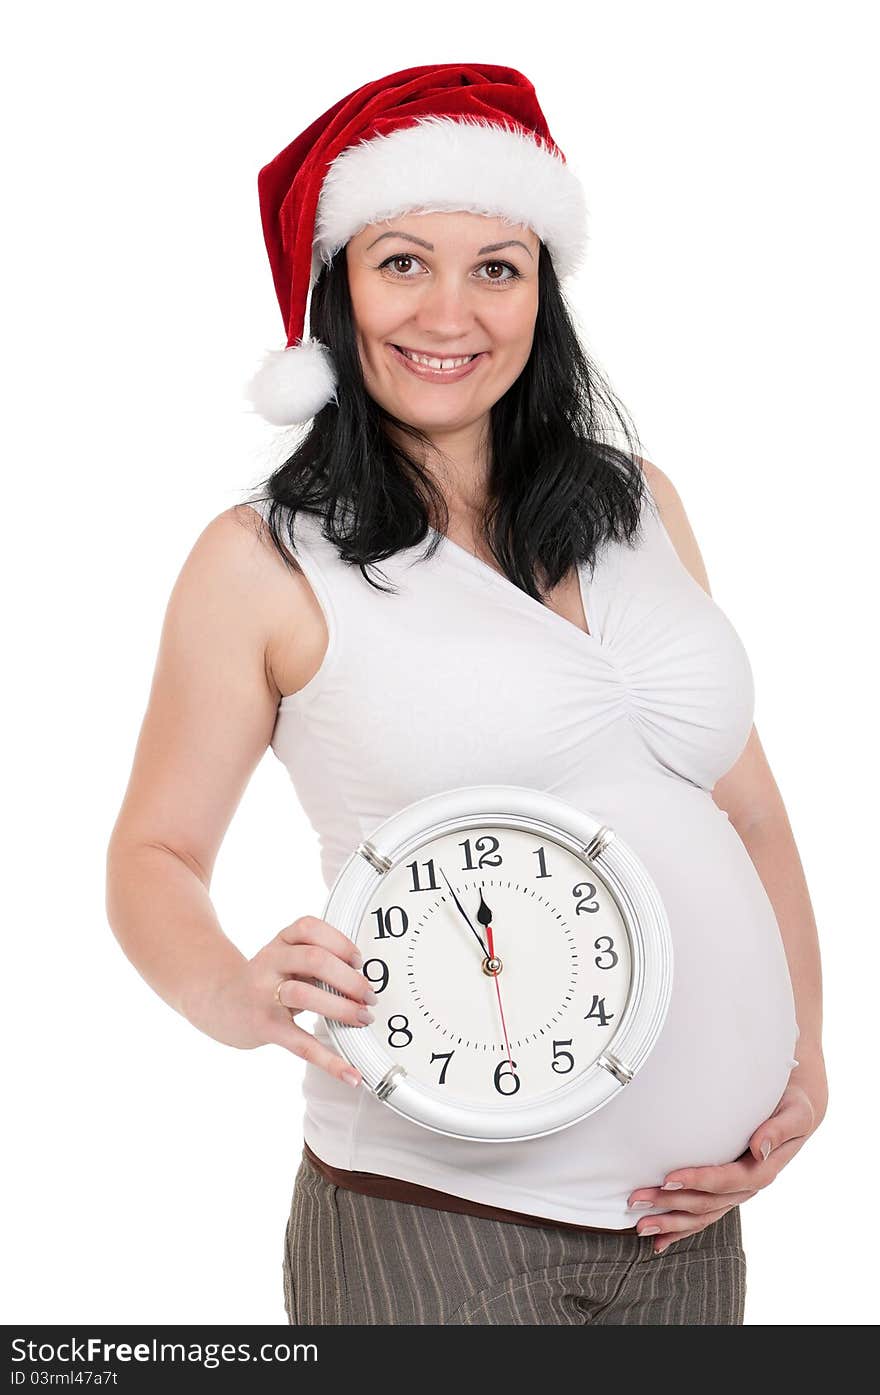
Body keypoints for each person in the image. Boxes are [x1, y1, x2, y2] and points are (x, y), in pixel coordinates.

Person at [105, 63, 828, 1326]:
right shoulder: (263, 560)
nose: (453, 311)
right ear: (335, 291)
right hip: (432, 1231)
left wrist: (800, 1061)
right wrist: (225, 992)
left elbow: (749, 810)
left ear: (541, 292)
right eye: (401, 263)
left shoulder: (638, 504)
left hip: (689, 1225)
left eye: (497, 265)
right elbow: (154, 849)